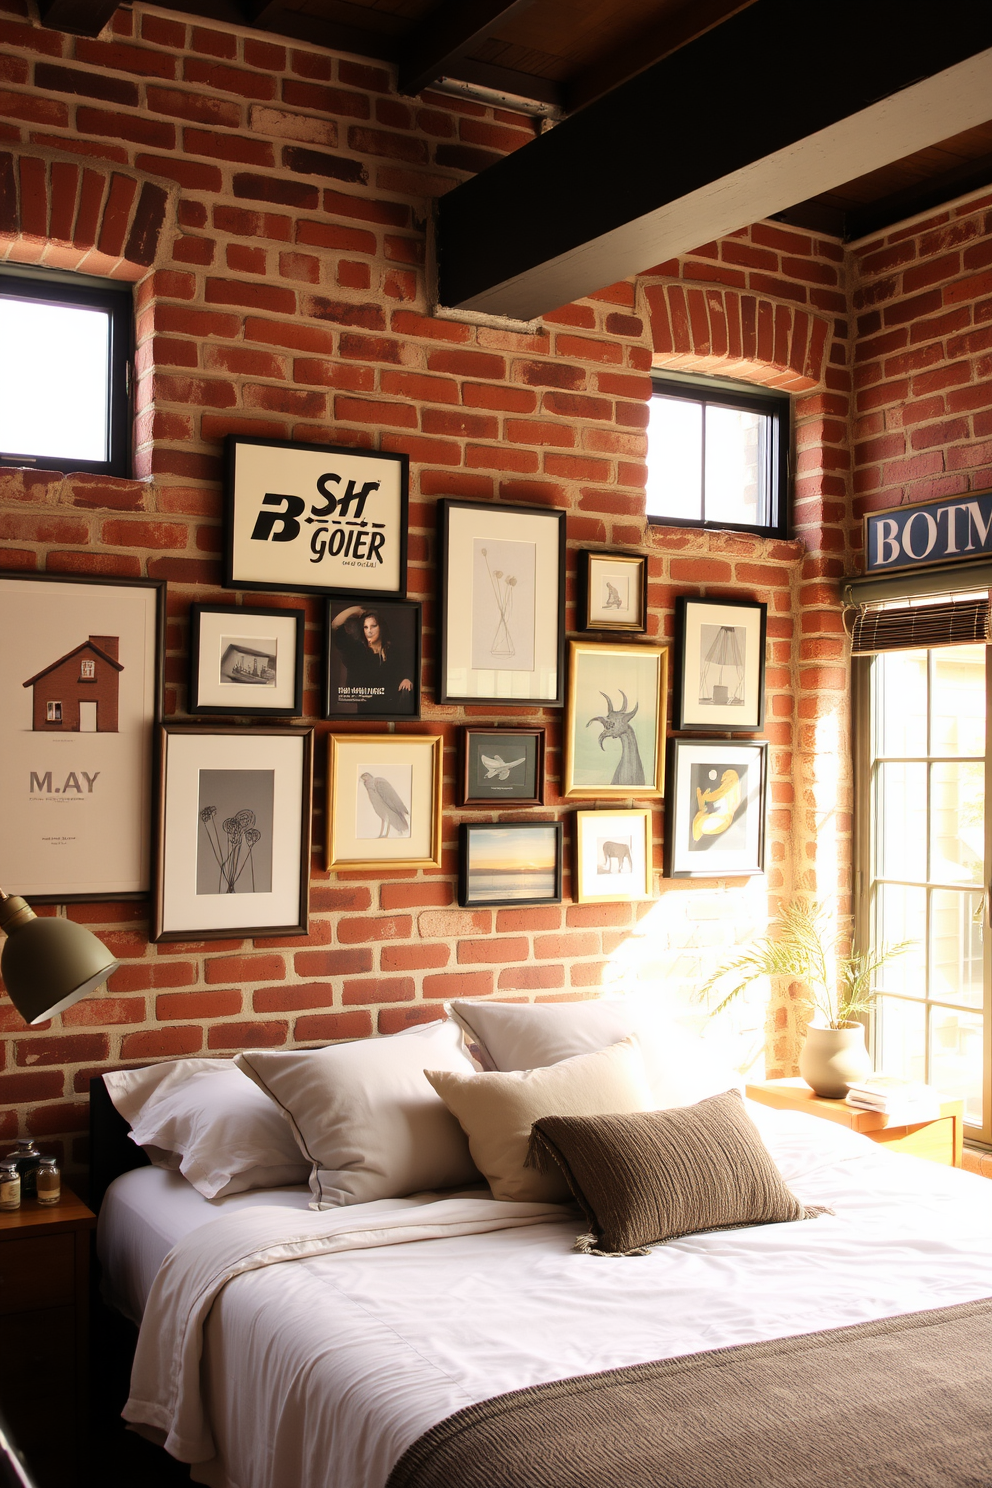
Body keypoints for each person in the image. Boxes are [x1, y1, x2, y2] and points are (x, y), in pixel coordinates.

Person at [330, 604, 414, 715]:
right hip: (366, 710)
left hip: (392, 709)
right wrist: (357, 610)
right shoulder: (358, 650)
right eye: (366, 627)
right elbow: (335, 626)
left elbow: (409, 667)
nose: (369, 631)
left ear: (381, 627)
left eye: (373, 626)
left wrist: (407, 678)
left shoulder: (393, 650)